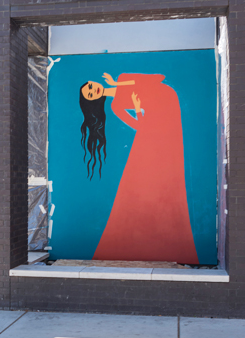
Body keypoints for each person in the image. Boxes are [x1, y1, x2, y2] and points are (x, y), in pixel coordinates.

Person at [79, 72, 198, 264]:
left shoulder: (123, 77)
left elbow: (158, 77)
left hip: (169, 110)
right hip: (154, 136)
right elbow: (140, 126)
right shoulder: (116, 106)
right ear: (95, 100)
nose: (94, 90)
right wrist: (137, 109)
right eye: (91, 94)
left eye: (91, 87)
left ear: (94, 82)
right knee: (142, 178)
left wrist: (118, 82)